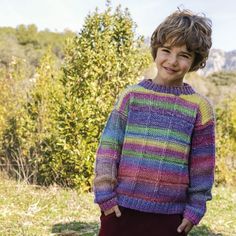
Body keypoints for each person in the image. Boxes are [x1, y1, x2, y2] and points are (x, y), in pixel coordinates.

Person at [94, 8, 215, 236]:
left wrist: (195, 208)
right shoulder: (132, 96)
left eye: (184, 55)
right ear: (156, 51)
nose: (172, 61)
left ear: (195, 60)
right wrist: (105, 195)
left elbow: (202, 166)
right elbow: (109, 148)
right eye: (166, 50)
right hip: (120, 210)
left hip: (171, 217)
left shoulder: (200, 107)